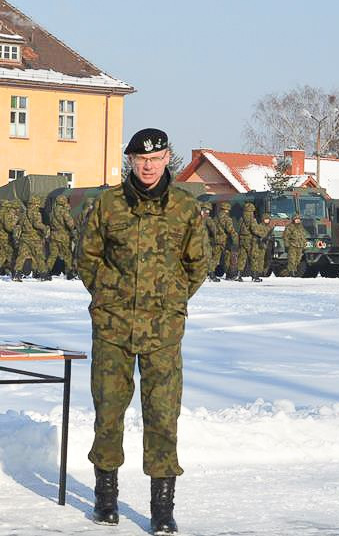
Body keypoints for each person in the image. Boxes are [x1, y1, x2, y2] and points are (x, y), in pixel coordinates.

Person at [78, 127, 209, 535]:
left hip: (163, 332)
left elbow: (198, 264)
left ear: (167, 158)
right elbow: (87, 258)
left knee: (162, 416)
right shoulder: (108, 205)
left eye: (156, 159)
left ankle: (162, 508)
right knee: (109, 412)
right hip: (113, 327)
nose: (149, 166)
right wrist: (110, 296)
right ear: (130, 161)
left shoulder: (185, 207)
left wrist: (169, 302)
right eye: (141, 159)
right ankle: (106, 499)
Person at [13, 196, 48, 281]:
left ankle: (17, 274)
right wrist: (45, 228)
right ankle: (43, 274)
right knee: (39, 256)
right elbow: (36, 224)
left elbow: (19, 225)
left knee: (21, 257)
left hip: (24, 238)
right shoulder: (36, 213)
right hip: (34, 238)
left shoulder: (23, 213)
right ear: (35, 204)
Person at [48, 194, 78, 279]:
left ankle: (45, 271)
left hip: (53, 235)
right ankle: (69, 273)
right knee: (67, 254)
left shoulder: (52, 212)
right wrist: (74, 229)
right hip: (63, 236)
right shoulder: (64, 211)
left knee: (53, 254)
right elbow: (70, 223)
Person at [216, 202, 239, 280]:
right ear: (227, 210)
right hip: (225, 241)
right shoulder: (227, 219)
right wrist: (235, 239)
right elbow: (230, 230)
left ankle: (211, 273)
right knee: (227, 258)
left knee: (215, 258)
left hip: (216, 240)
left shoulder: (216, 217)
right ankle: (229, 275)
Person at [201, 204, 222, 282]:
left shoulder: (196, 218)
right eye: (208, 211)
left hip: (195, 242)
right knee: (209, 257)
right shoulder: (208, 219)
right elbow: (214, 230)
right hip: (205, 242)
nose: (208, 212)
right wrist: (216, 239)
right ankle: (211, 274)